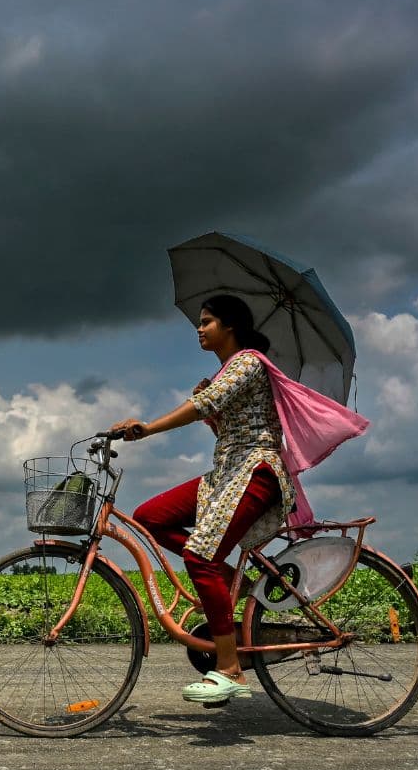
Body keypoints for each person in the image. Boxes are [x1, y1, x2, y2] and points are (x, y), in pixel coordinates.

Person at [109, 294, 296, 704]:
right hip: (227, 473)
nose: (199, 328)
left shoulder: (248, 362)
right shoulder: (226, 373)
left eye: (207, 321)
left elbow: (203, 407)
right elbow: (220, 422)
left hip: (255, 472)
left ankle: (230, 669)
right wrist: (215, 416)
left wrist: (147, 427)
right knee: (149, 517)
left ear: (230, 326)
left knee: (200, 558)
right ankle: (233, 582)